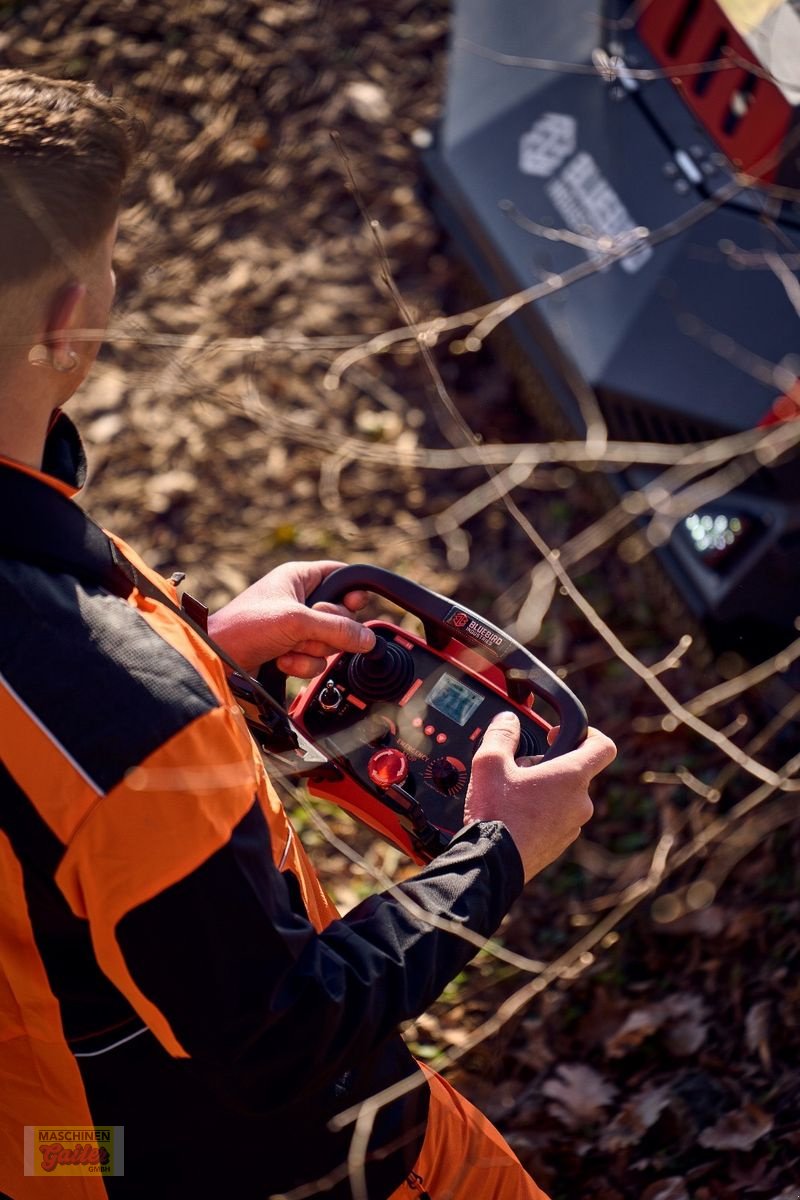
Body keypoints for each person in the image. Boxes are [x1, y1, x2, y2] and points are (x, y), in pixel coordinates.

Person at [0, 70, 616, 1200]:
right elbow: (278, 1036)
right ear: (66, 319)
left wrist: (198, 653)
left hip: (41, 1151)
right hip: (234, 1165)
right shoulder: (122, 718)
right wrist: (498, 852)